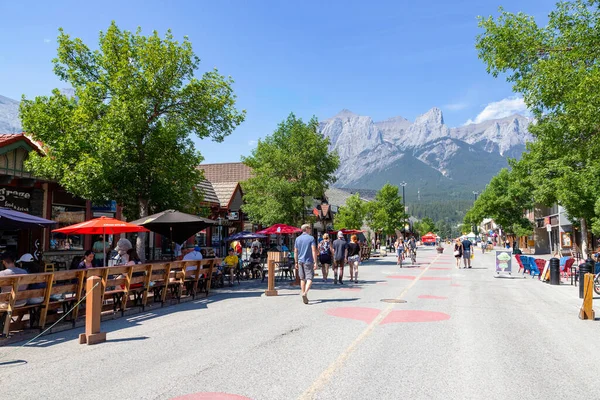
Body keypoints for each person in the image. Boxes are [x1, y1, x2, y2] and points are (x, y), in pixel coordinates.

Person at [294, 224, 318, 304]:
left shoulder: (297, 239)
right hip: (308, 260)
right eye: (310, 228)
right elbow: (313, 250)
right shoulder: (311, 238)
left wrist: (296, 262)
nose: (310, 229)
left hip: (300, 261)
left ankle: (303, 292)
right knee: (310, 278)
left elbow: (295, 251)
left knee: (302, 278)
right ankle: (305, 293)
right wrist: (315, 262)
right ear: (307, 229)